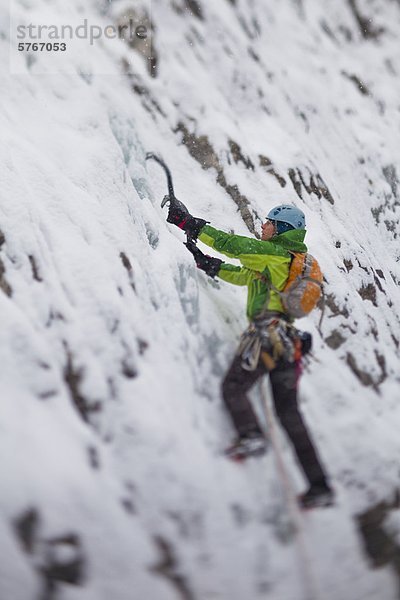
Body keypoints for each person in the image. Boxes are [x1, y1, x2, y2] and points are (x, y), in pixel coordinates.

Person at [166, 201, 334, 509]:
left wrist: (189, 224)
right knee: (289, 414)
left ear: (282, 228)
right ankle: (319, 486)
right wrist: (209, 264)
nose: (262, 227)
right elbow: (246, 275)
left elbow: (234, 246)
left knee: (234, 387)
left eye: (268, 223)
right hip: (287, 344)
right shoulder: (280, 263)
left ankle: (251, 434)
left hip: (265, 338)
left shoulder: (276, 254)